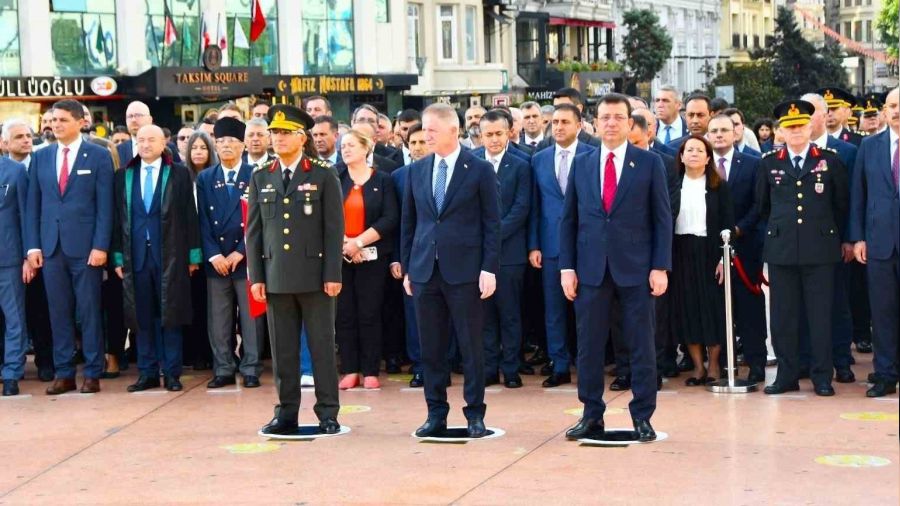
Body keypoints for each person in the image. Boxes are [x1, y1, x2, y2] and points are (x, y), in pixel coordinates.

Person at [559, 93, 672, 442]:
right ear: (595, 122)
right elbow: (569, 220)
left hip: (636, 269)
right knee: (589, 346)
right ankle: (591, 414)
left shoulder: (649, 163)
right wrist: (567, 267)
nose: (610, 123)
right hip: (591, 269)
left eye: (617, 117)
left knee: (641, 344)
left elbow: (662, 218)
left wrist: (660, 266)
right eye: (604, 117)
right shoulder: (583, 162)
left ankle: (642, 416)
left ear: (630, 123)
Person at [400, 103, 500, 438]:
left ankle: (474, 414)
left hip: (466, 272)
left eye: (431, 130)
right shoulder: (417, 170)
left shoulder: (479, 169)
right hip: (426, 270)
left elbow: (492, 224)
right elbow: (409, 223)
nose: (424, 136)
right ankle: (435, 413)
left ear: (452, 131)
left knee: (471, 347)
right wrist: (409, 268)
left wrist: (489, 268)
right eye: (423, 130)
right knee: (431, 348)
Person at [247, 104, 344, 436]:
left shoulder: (321, 172)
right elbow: (254, 232)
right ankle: (285, 411)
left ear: (301, 138)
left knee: (321, 347)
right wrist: (256, 277)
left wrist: (333, 273)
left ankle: (327, 411)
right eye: (274, 133)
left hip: (315, 275)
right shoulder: (262, 175)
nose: (278, 139)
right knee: (283, 351)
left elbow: (333, 228)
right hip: (275, 276)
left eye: (284, 133)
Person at [756, 100, 849, 397]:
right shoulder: (769, 162)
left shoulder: (830, 160)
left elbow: (841, 205)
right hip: (782, 249)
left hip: (820, 250)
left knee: (820, 316)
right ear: (780, 131)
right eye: (790, 127)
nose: (796, 131)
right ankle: (787, 374)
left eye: (801, 126)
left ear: (811, 127)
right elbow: (762, 207)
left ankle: (822, 376)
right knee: (783, 317)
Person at [26, 99, 114, 395]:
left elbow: (106, 207)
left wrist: (101, 245)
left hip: (87, 248)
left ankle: (92, 373)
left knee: (89, 312)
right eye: (53, 120)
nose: (55, 125)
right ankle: (64, 373)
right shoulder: (41, 157)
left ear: (80, 122)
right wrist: (33, 247)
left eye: (62, 119)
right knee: (58, 312)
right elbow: (33, 206)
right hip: (51, 248)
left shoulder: (99, 156)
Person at [111, 125, 200, 392]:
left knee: (170, 315)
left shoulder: (179, 174)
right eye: (141, 140)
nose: (146, 144)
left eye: (152, 139)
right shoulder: (124, 175)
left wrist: (193, 255)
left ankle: (172, 372)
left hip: (170, 254)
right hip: (135, 255)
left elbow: (190, 217)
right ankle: (147, 372)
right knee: (142, 316)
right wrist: (117, 257)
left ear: (164, 143)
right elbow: (117, 219)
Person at [529, 104, 596, 387]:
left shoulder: (592, 156)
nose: (558, 127)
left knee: (587, 310)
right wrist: (534, 245)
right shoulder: (539, 159)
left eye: (565, 122)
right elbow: (535, 206)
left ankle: (587, 364)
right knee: (553, 309)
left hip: (587, 245)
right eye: (554, 122)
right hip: (551, 246)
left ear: (579, 125)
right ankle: (559, 364)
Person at [197, 117, 263, 389]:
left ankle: (251, 366)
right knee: (219, 318)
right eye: (221, 141)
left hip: (245, 259)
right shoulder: (205, 177)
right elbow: (201, 219)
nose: (226, 146)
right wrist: (214, 255)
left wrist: (240, 252)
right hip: (217, 260)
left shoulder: (256, 174)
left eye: (232, 142)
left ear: (243, 145)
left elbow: (259, 220)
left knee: (250, 319)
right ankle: (223, 367)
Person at [335, 129, 398, 390]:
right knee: (344, 314)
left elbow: (389, 217)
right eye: (343, 146)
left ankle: (371, 369)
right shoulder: (334, 178)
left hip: (372, 256)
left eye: (351, 145)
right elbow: (325, 215)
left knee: (370, 312)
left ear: (365, 149)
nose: (345, 149)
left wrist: (358, 243)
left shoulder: (382, 180)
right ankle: (350, 369)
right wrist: (344, 245)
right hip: (339, 257)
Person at [472, 110, 531, 388]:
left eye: (499, 133)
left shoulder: (521, 165)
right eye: (488, 134)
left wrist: (494, 236)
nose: (494, 139)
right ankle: (488, 367)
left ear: (509, 133)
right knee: (483, 315)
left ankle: (511, 367)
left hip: (510, 253)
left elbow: (521, 208)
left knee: (510, 313)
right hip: (478, 254)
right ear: (480, 135)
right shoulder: (470, 163)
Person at [670, 135, 735, 384]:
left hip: (709, 252)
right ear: (682, 156)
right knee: (688, 309)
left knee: (712, 309)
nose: (694, 153)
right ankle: (697, 367)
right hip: (681, 251)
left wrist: (723, 258)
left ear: (708, 157)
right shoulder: (674, 184)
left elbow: (728, 223)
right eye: (689, 150)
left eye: (699, 150)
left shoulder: (719, 187)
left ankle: (715, 365)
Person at [707, 114, 766, 382]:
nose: (718, 135)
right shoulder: (702, 165)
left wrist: (738, 230)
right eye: (714, 131)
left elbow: (759, 204)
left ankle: (756, 364)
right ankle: (724, 365)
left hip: (745, 247)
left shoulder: (753, 164)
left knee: (748, 309)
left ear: (735, 134)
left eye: (723, 130)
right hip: (710, 250)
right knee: (718, 309)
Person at [849, 87, 900, 397]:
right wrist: (857, 238)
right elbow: (859, 195)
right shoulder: (870, 146)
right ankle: (884, 374)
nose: (896, 111)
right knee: (881, 313)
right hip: (879, 244)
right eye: (891, 106)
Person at [3, 120, 53, 382]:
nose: (26, 140)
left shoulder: (38, 164)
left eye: (28, 136)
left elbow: (32, 213)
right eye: (19, 136)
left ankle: (43, 361)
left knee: (36, 309)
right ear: (5, 143)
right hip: (11, 255)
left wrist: (29, 253)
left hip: (34, 253)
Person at [391, 124, 430, 388]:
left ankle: (445, 362)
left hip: (445, 254)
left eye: (421, 141)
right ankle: (419, 366)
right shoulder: (399, 176)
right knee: (414, 314)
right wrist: (399, 259)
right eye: (412, 143)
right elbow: (398, 222)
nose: (417, 147)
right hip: (413, 256)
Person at [183, 130, 218, 370]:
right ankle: (193, 352)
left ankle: (211, 352)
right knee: (191, 303)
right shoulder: (181, 177)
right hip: (187, 251)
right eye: (194, 147)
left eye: (203, 148)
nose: (198, 152)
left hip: (213, 249)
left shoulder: (213, 177)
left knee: (211, 306)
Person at [0, 154, 31, 395]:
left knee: (15, 319)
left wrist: (27, 256)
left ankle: (11, 373)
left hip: (8, 258)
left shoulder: (16, 171)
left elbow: (26, 215)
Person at [535, 89, 601, 151]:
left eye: (564, 107)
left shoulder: (596, 146)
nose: (559, 111)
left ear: (579, 108)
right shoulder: (544, 146)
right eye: (556, 108)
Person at [116, 101, 153, 167]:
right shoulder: (118, 151)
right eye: (130, 116)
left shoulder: (165, 148)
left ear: (150, 119)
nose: (133, 120)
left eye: (138, 115)